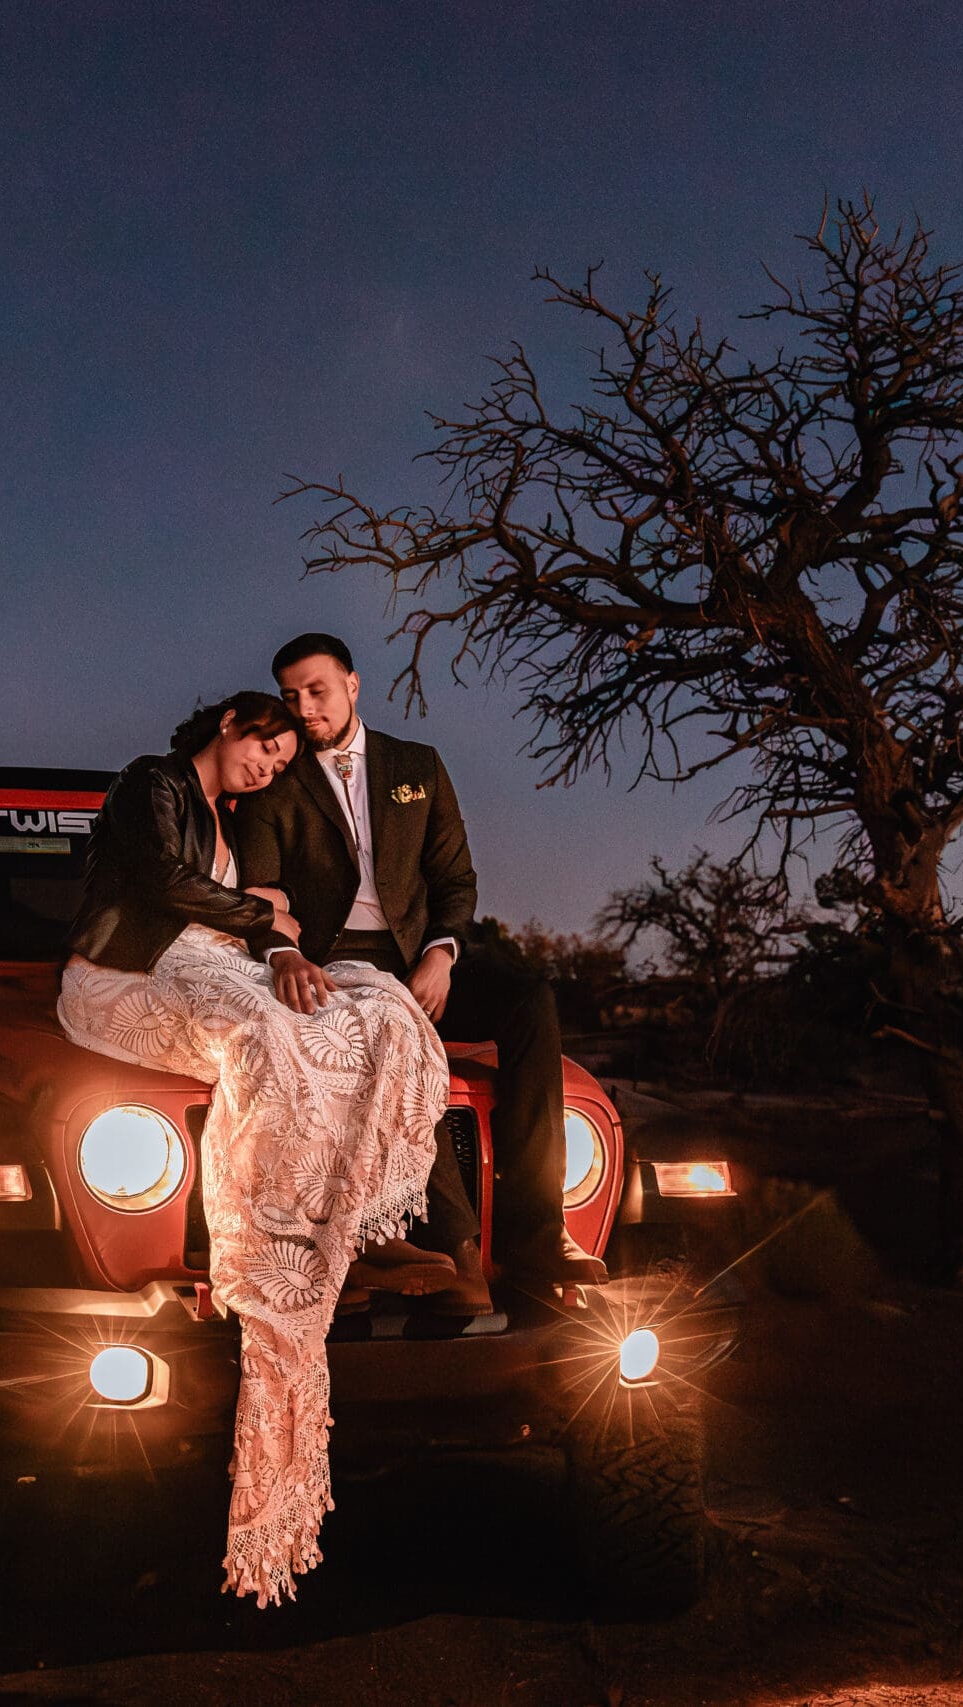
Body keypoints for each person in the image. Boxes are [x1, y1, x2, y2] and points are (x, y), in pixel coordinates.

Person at [57, 689, 455, 1605]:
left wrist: (272, 926)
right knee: (270, 1039)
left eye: (282, 765)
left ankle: (346, 1221)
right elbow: (160, 881)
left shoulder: (227, 815)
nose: (269, 769)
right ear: (231, 723)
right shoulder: (148, 782)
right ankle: (271, 1252)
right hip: (120, 974)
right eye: (265, 750)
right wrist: (259, 917)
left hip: (206, 964)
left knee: (368, 1015)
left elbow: (252, 910)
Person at [235, 632, 611, 1318]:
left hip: (417, 954)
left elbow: (454, 878)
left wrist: (441, 952)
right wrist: (283, 952)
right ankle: (459, 1253)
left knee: (529, 997)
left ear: (353, 685)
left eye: (318, 691)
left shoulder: (417, 765)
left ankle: (535, 1234)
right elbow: (260, 889)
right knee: (398, 1038)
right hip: (331, 963)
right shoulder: (274, 780)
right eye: (292, 697)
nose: (305, 709)